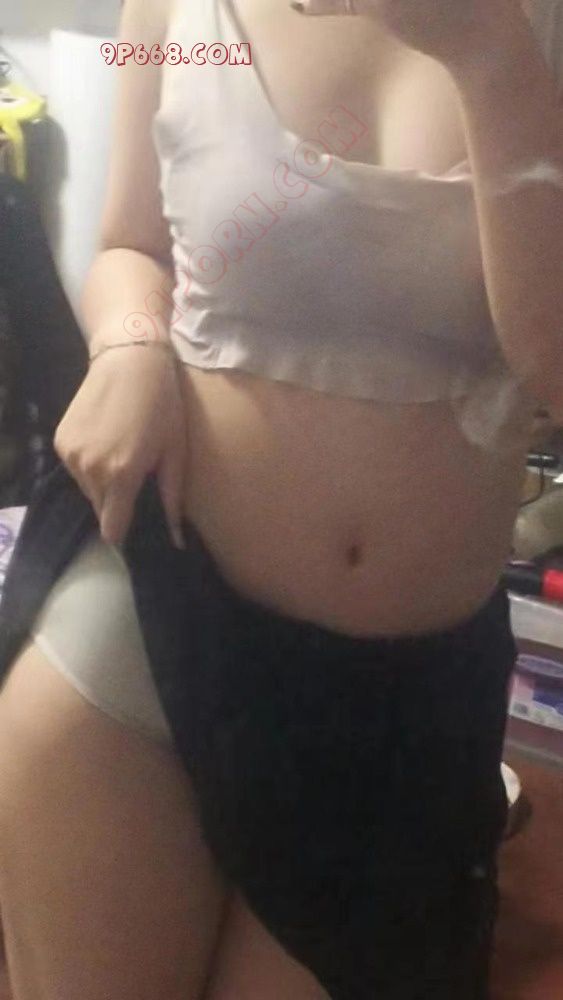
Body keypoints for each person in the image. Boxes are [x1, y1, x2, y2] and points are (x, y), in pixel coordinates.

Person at [0, 0, 562, 997]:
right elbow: (129, 243)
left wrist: (490, 58)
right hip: (146, 619)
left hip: (398, 710)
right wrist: (129, 345)